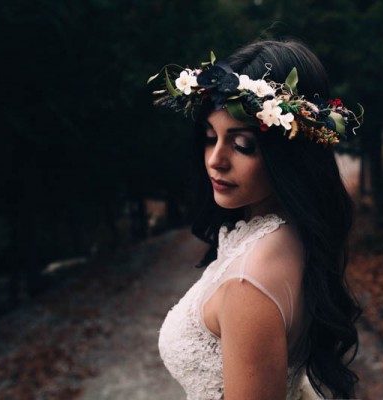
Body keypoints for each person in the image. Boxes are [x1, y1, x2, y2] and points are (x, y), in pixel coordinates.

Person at [152, 39, 362, 399]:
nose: (215, 160)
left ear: (288, 153)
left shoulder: (248, 286)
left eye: (243, 144)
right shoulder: (292, 235)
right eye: (209, 138)